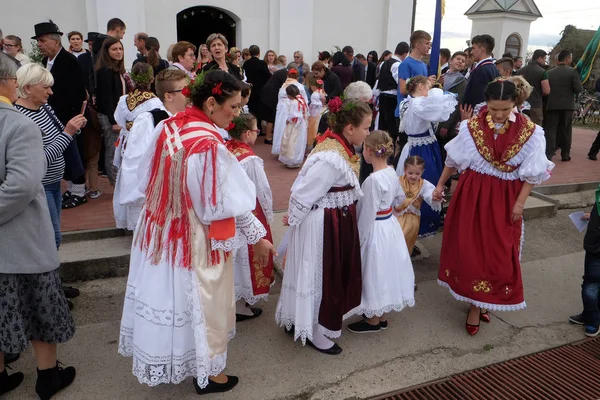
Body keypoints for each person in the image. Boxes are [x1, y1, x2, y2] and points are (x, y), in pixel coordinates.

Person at [118, 70, 275, 394]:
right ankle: (210, 373)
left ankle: (191, 362)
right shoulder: (208, 145)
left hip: (161, 231)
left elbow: (146, 178)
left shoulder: (168, 125)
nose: (236, 113)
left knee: (176, 300)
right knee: (205, 302)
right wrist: (257, 236)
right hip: (193, 237)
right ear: (211, 102)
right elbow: (221, 205)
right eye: (232, 106)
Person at [434, 80, 554, 336]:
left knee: (497, 251)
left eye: (504, 108)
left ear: (516, 104)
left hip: (505, 198)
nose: (498, 114)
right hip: (472, 194)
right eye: (493, 108)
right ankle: (475, 306)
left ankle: (484, 298)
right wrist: (440, 185)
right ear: (486, 104)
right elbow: (454, 160)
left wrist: (520, 203)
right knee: (470, 249)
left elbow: (532, 175)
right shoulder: (470, 128)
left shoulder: (531, 132)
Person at [0, 53, 77, 399]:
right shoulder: (18, 123)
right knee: (39, 307)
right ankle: (47, 377)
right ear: (13, 83)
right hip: (23, 239)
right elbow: (20, 186)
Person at [275, 99, 372, 354]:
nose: (368, 133)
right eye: (366, 128)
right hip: (325, 224)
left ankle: (301, 319)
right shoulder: (331, 157)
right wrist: (293, 219)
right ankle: (316, 329)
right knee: (321, 275)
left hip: (335, 219)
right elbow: (303, 192)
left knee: (318, 273)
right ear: (350, 128)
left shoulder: (338, 146)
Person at [346, 131, 415, 333]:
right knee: (384, 269)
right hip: (389, 226)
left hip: (376, 228)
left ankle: (373, 320)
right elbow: (398, 198)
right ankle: (381, 315)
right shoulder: (392, 172)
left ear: (368, 151)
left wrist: (357, 237)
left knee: (373, 270)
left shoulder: (372, 180)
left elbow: (366, 213)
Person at [14, 63, 87, 251]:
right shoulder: (21, 119)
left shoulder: (44, 108)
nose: (51, 92)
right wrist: (68, 133)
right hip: (40, 186)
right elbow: (41, 160)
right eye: (45, 87)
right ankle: (49, 279)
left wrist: (74, 128)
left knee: (54, 237)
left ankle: (52, 278)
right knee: (51, 238)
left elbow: (58, 137)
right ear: (28, 88)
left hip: (55, 183)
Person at [225, 113, 275, 320]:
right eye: (256, 131)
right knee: (247, 256)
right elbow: (263, 191)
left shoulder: (226, 150)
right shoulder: (250, 159)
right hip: (249, 213)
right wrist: (268, 216)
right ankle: (241, 304)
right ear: (247, 134)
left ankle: (234, 300)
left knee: (235, 260)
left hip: (230, 214)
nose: (257, 134)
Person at [34, 21, 88, 209]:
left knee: (74, 154)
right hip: (54, 117)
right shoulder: (45, 62)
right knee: (63, 155)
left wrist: (71, 121)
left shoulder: (68, 61)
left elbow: (77, 92)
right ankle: (72, 188)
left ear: (56, 42)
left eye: (43, 40)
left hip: (67, 117)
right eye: (38, 41)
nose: (39, 44)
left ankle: (79, 191)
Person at [396, 76, 455, 237]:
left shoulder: (406, 102)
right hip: (422, 148)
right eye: (428, 88)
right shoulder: (419, 103)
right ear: (421, 87)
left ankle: (410, 223)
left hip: (415, 144)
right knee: (424, 181)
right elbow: (441, 114)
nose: (429, 91)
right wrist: (439, 93)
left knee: (413, 182)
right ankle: (417, 224)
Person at [112, 62, 164, 231]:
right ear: (151, 78)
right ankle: (143, 223)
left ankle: (130, 221)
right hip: (145, 144)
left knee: (128, 178)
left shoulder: (124, 99)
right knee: (142, 178)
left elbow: (119, 120)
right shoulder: (156, 103)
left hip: (128, 144)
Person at [95, 36, 128, 187]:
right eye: (114, 49)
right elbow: (106, 98)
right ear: (107, 52)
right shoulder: (105, 71)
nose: (118, 52)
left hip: (118, 115)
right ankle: (115, 183)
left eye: (120, 48)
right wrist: (113, 121)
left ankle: (119, 180)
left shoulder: (117, 70)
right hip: (110, 117)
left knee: (118, 148)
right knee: (112, 149)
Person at [397, 32, 436, 154]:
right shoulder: (406, 64)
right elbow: (403, 89)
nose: (429, 47)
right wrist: (424, 83)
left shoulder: (424, 65)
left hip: (419, 111)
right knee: (406, 147)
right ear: (417, 45)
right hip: (408, 112)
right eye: (427, 43)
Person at [395, 155, 441, 256]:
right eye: (410, 173)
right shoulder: (397, 182)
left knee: (406, 244)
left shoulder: (423, 185)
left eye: (417, 173)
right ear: (404, 170)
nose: (413, 176)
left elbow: (429, 193)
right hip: (396, 216)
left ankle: (404, 261)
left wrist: (434, 196)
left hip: (412, 219)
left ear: (422, 172)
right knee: (395, 242)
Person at [568, 189, 600, 336]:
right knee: (592, 282)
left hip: (596, 245)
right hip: (595, 241)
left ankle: (592, 321)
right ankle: (589, 314)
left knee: (591, 284)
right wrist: (593, 215)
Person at [545, 50, 583, 162]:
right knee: (566, 130)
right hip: (567, 106)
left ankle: (549, 154)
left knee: (551, 130)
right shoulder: (573, 72)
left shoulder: (549, 72)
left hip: (552, 105)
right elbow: (578, 89)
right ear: (567, 59)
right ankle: (565, 154)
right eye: (570, 58)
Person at [437, 51, 467, 166]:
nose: (460, 62)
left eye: (463, 61)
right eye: (458, 59)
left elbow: (457, 103)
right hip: (437, 117)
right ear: (451, 61)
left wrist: (447, 125)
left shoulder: (462, 81)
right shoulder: (442, 76)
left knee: (445, 153)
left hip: (447, 121)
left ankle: (445, 182)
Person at [375, 42, 409, 143]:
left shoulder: (385, 62)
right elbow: (399, 81)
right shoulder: (397, 64)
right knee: (390, 129)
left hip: (383, 96)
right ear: (405, 53)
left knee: (384, 127)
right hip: (391, 98)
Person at [272, 68, 308, 156]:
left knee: (281, 127)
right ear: (297, 77)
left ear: (287, 76)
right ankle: (290, 151)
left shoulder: (283, 86)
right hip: (295, 109)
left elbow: (279, 98)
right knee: (292, 131)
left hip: (283, 109)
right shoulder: (299, 86)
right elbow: (304, 100)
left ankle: (280, 149)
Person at [462, 34, 500, 110]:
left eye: (473, 48)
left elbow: (477, 99)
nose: (471, 52)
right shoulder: (493, 68)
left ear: (482, 50)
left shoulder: (481, 70)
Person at [515, 49, 551, 125]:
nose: (545, 61)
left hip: (520, 104)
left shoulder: (519, 71)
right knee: (535, 129)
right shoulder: (542, 72)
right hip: (535, 105)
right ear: (540, 58)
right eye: (544, 59)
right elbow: (546, 91)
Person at [279, 85, 309, 168]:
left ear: (289, 95)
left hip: (295, 125)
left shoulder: (295, 103)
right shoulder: (302, 100)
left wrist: (288, 120)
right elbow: (306, 112)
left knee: (292, 141)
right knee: (300, 141)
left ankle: (291, 160)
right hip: (302, 124)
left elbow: (294, 115)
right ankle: (297, 160)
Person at [243, 45, 271, 132]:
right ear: (259, 53)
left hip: (250, 89)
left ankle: (251, 127)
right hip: (260, 90)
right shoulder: (262, 63)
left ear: (250, 53)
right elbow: (268, 75)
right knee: (259, 110)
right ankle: (257, 127)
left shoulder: (246, 63)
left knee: (251, 109)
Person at [260, 67, 289, 144]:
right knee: (271, 117)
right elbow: (286, 87)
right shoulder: (284, 74)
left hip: (267, 94)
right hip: (271, 96)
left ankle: (268, 136)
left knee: (270, 116)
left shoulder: (281, 72)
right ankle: (268, 138)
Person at [307, 76, 326, 150]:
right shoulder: (322, 91)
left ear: (313, 86)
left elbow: (314, 104)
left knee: (312, 129)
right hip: (321, 111)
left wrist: (310, 108)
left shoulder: (314, 94)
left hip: (314, 113)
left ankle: (311, 145)